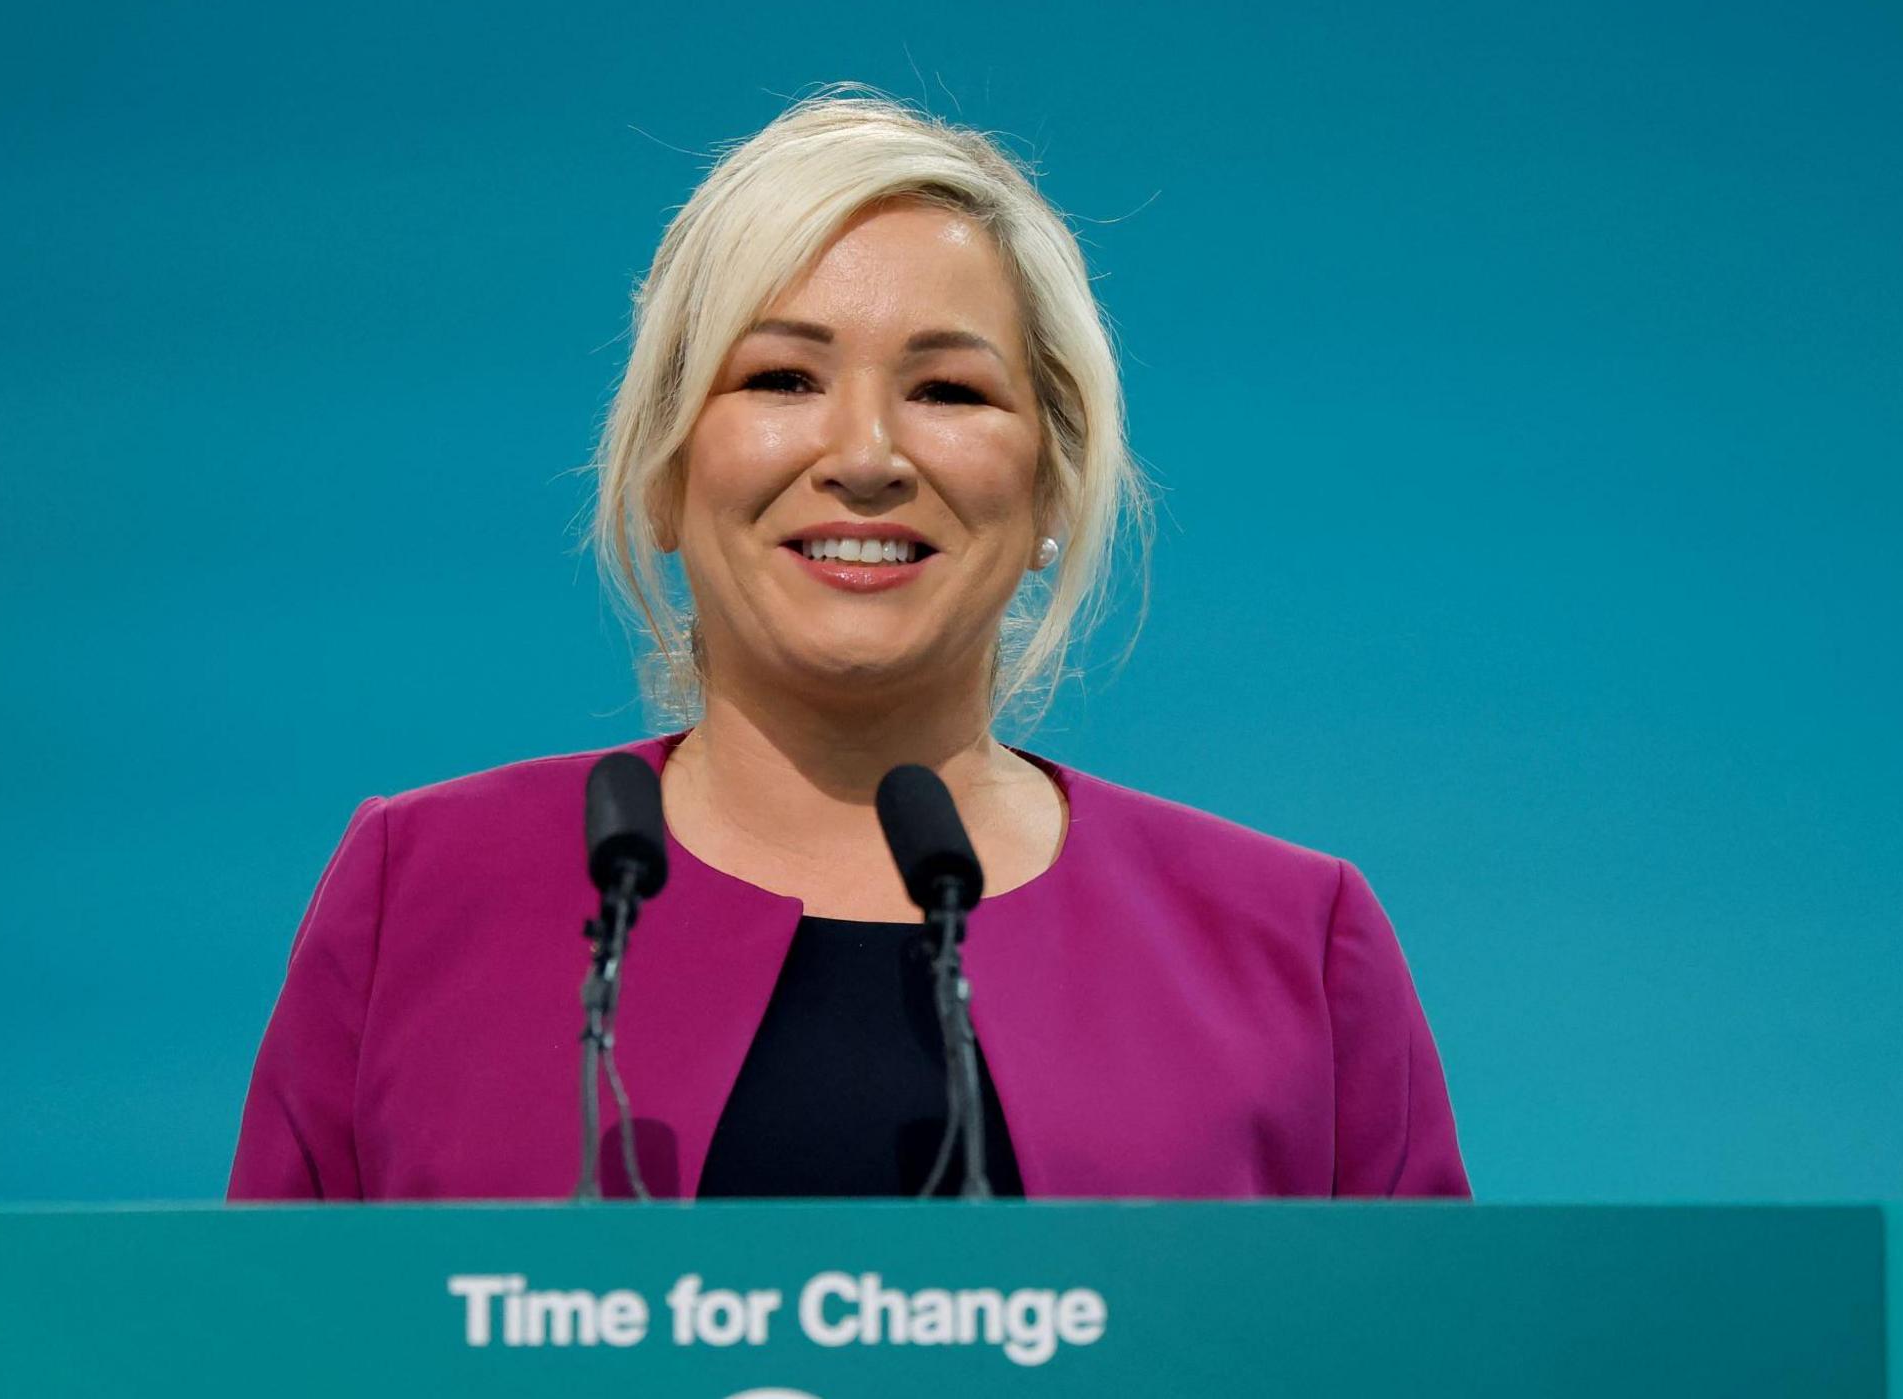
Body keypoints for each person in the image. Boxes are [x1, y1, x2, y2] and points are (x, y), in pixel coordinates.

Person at [228, 85, 1469, 1203]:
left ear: (1048, 491)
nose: (867, 455)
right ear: (664, 476)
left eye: (948, 391)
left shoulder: (1290, 944)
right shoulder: (416, 892)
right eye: (779, 379)